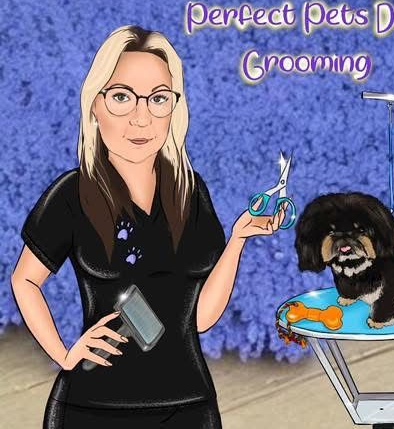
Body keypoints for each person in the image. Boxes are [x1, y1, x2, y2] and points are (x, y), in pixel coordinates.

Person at [11, 25, 285, 428]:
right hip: (92, 409)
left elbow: (199, 318)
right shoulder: (72, 193)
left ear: (174, 108)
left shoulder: (190, 191)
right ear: (95, 105)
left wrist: (238, 239)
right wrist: (64, 355)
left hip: (188, 405)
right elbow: (24, 280)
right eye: (122, 97)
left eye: (158, 99)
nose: (141, 118)